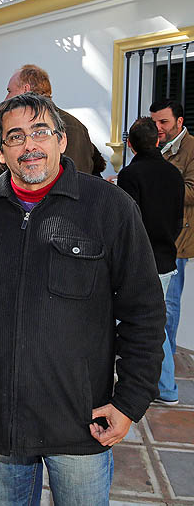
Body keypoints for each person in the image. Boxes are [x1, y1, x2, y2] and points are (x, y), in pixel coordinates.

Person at [0, 93, 165, 505]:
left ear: (62, 140)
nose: (30, 145)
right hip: (1, 419)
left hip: (80, 422)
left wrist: (130, 400)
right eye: (16, 136)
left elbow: (145, 313)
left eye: (41, 132)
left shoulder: (111, 208)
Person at [117, 116, 184, 405]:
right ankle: (157, 384)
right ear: (157, 140)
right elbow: (178, 220)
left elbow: (128, 223)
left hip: (142, 261)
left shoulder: (131, 175)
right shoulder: (174, 174)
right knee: (154, 324)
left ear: (130, 145)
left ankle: (165, 387)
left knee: (149, 326)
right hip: (168, 258)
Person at [0, 64, 106, 185]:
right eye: (17, 137)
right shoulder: (76, 125)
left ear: (26, 89)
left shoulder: (70, 127)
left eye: (9, 91)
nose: (7, 97)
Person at [150, 99, 193, 365]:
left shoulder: (191, 148)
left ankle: (165, 369)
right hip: (157, 237)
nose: (158, 128)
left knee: (169, 305)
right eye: (154, 122)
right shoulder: (159, 146)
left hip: (178, 238)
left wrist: (155, 186)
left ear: (179, 122)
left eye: (163, 122)